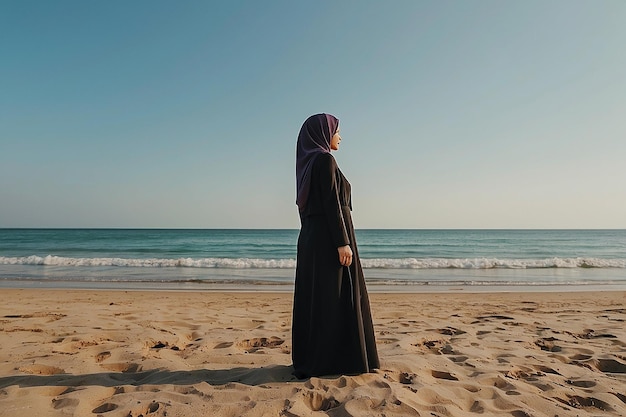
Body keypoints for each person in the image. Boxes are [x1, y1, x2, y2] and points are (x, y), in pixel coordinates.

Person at [292, 113, 379, 378]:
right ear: (324, 133)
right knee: (334, 297)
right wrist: (342, 242)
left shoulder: (307, 164)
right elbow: (331, 203)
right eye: (337, 131)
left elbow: (306, 207)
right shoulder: (325, 160)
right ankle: (336, 361)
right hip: (331, 238)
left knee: (320, 298)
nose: (340, 136)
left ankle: (318, 359)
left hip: (313, 237)